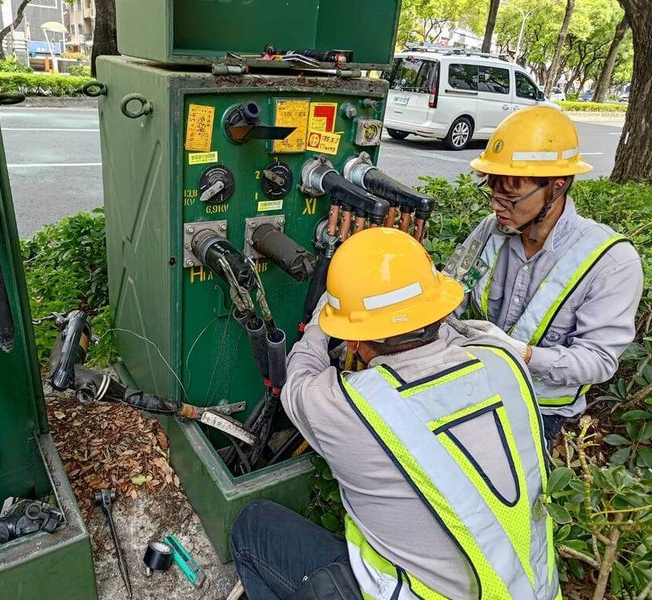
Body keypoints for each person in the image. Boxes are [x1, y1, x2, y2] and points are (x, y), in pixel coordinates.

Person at [231, 228, 560, 600]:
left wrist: (323, 321)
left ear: (354, 339)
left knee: (252, 526)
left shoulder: (352, 406)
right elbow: (462, 337)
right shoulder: (506, 363)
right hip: (535, 592)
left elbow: (298, 377)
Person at [455, 106, 643, 442]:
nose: (496, 207)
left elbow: (598, 361)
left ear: (557, 187)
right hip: (476, 388)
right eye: (493, 193)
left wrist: (523, 354)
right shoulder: (491, 231)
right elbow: (454, 289)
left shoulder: (612, 262)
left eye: (510, 197)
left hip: (541, 411)